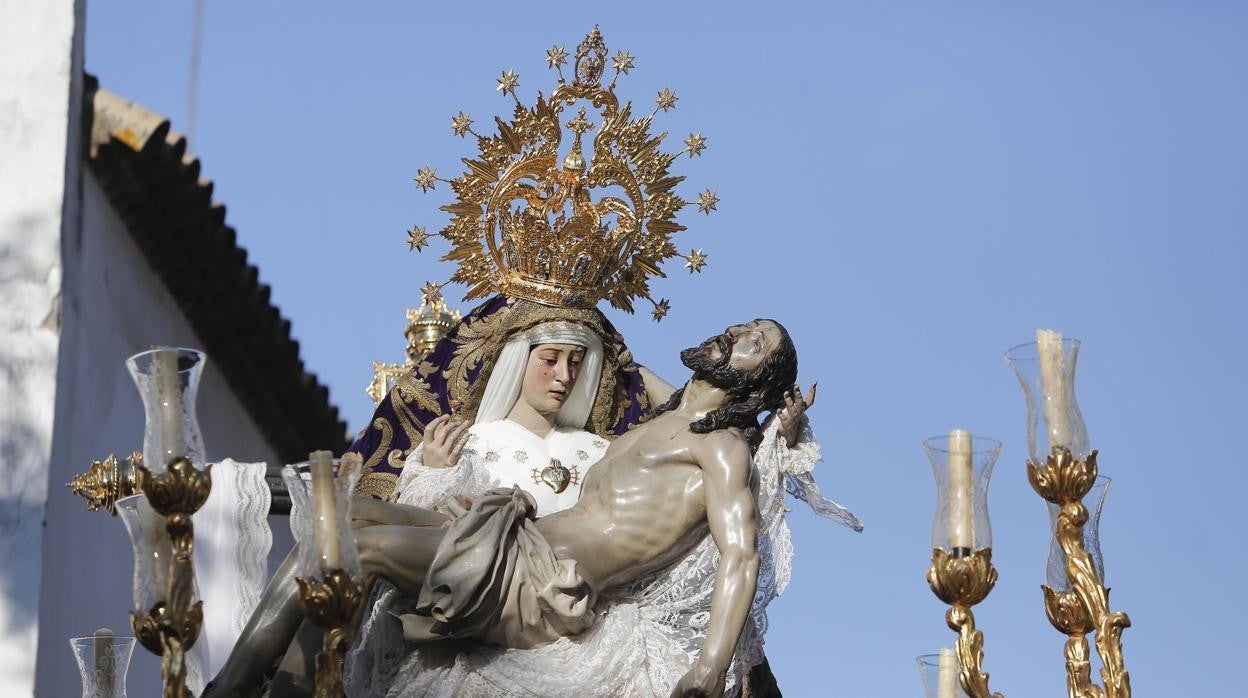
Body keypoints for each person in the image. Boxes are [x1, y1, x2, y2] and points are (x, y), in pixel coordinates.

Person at [208, 319, 861, 697]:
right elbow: (647, 376)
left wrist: (708, 668)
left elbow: (740, 554)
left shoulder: (723, 447)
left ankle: (242, 693)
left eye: (751, 344)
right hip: (513, 536)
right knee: (345, 522)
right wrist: (585, 313)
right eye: (742, 326)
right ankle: (242, 684)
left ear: (760, 382)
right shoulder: (662, 425)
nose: (733, 334)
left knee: (357, 550)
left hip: (542, 578)